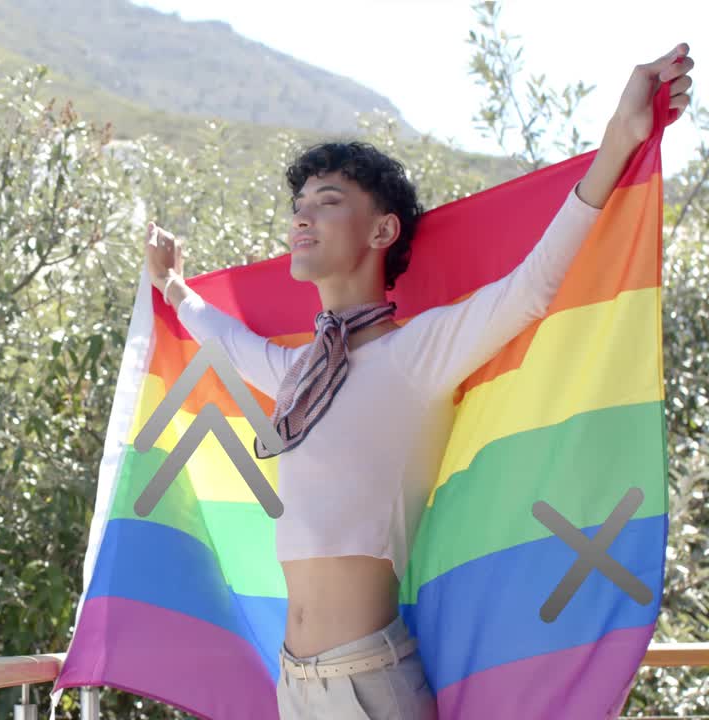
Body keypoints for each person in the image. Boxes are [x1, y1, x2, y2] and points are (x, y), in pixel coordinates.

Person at [143, 44, 694, 720]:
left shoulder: (416, 356)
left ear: (382, 229)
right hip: (293, 684)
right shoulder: (297, 379)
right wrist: (171, 286)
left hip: (369, 684)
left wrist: (620, 139)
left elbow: (531, 288)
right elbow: (224, 341)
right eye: (299, 205)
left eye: (327, 200)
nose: (301, 217)